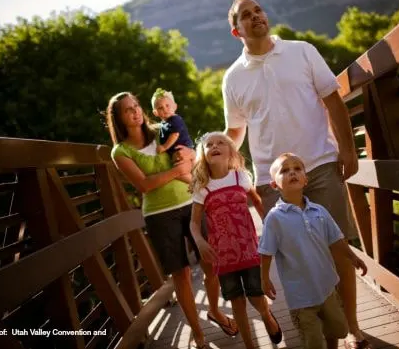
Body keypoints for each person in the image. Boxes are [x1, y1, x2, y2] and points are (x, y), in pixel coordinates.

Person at [222, 0, 370, 349]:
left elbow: (332, 98)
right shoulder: (232, 78)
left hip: (319, 164)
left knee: (337, 247)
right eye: (246, 14)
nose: (256, 16)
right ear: (235, 30)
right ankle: (314, 332)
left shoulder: (301, 50)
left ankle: (351, 327)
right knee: (294, 260)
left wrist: (348, 149)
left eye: (258, 9)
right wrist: (210, 157)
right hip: (272, 180)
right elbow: (236, 131)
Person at [106, 92, 238, 349]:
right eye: (127, 110)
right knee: (181, 275)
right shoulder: (120, 151)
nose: (134, 112)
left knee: (212, 262)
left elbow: (190, 155)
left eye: (136, 106)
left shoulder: (162, 130)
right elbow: (145, 185)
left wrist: (188, 158)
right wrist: (177, 171)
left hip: (191, 204)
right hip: (159, 215)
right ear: (118, 119)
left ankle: (215, 311)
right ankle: (198, 335)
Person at [259, 153, 368, 349]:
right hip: (300, 296)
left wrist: (352, 256)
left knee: (338, 329)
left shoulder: (319, 211)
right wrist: (264, 278)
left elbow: (336, 239)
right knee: (313, 342)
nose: (292, 172)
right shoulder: (274, 219)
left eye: (297, 169)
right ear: (274, 185)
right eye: (284, 170)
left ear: (305, 179)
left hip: (328, 287)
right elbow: (266, 251)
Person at [189, 132, 282, 349]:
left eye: (221, 142)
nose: (214, 146)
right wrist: (200, 242)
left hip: (249, 248)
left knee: (256, 297)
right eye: (209, 144)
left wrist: (269, 228)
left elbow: (258, 202)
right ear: (202, 154)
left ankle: (267, 316)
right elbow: (194, 224)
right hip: (222, 255)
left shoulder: (241, 177)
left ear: (231, 150)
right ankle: (250, 345)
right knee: (237, 301)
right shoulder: (203, 187)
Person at [151, 88, 194, 160]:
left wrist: (164, 147)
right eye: (160, 108)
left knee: (183, 167)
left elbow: (175, 135)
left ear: (175, 106)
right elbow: (158, 126)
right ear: (155, 113)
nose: (165, 109)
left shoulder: (175, 119)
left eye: (167, 105)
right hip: (175, 153)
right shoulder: (164, 123)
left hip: (182, 149)